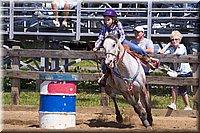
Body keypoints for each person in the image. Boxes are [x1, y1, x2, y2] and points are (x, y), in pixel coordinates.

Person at [93, 9, 159, 86]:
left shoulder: (118, 24)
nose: (106, 21)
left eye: (108, 19)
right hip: (110, 45)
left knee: (137, 49)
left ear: (113, 19)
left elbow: (122, 35)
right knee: (106, 61)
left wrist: (118, 43)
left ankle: (149, 60)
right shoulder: (104, 27)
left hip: (120, 42)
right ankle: (104, 76)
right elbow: (100, 37)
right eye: (105, 20)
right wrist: (96, 46)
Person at [159, 30, 193, 110]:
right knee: (174, 86)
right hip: (176, 71)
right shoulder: (171, 49)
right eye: (172, 40)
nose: (174, 41)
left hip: (184, 72)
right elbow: (161, 53)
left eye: (176, 39)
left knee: (182, 89)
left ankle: (187, 106)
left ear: (180, 40)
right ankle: (174, 104)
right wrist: (168, 45)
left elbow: (178, 55)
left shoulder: (182, 47)